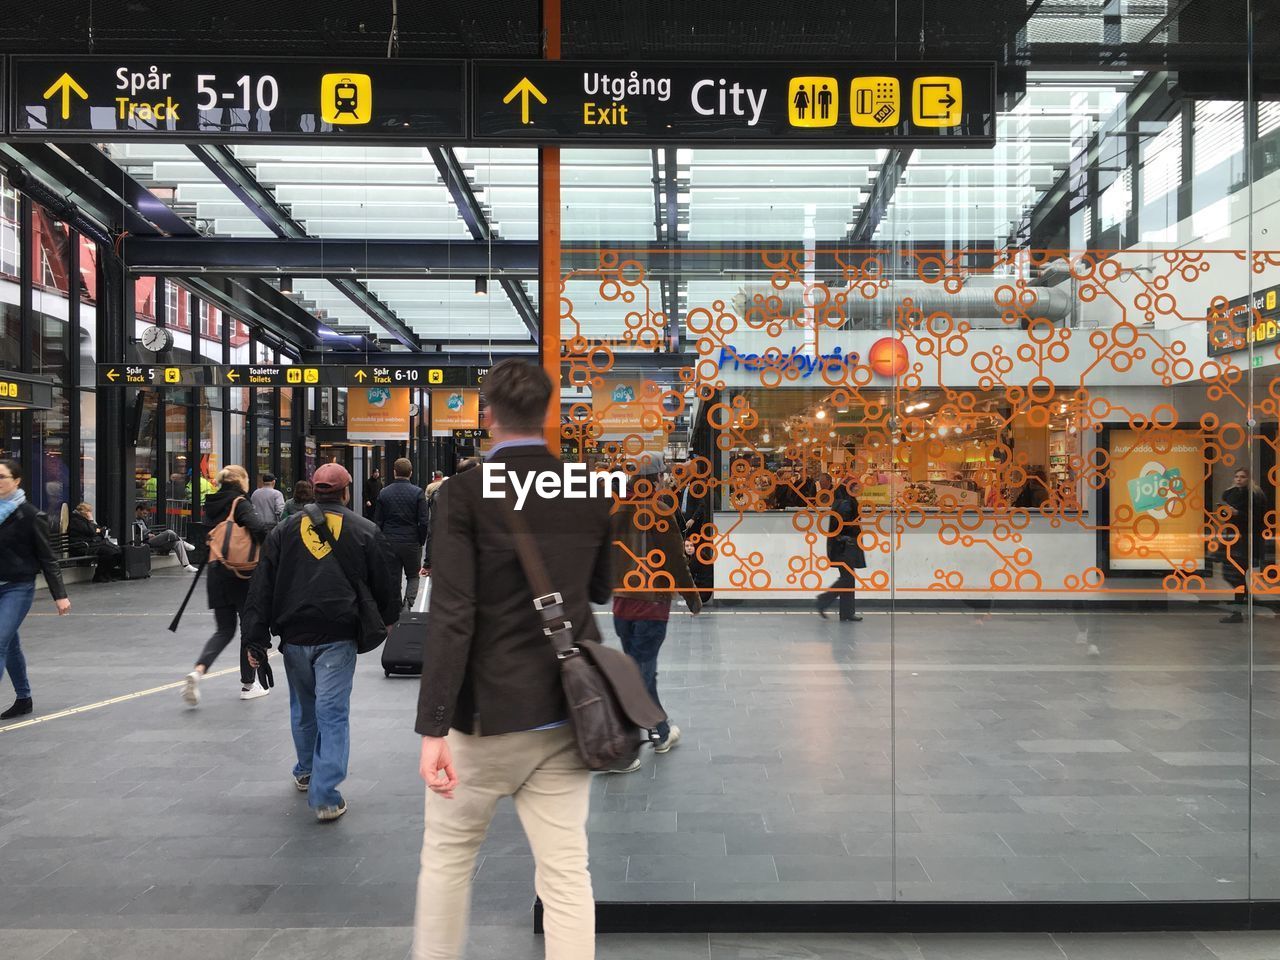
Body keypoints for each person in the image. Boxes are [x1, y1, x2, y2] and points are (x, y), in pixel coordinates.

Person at [413, 359, 614, 960]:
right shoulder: (585, 487)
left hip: (484, 718)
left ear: (488, 418)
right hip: (564, 711)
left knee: (448, 859)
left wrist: (432, 727)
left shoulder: (463, 493)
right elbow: (600, 589)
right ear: (549, 415)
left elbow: (453, 614)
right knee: (566, 873)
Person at [242, 463, 400, 821]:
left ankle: (306, 771)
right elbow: (385, 582)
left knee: (303, 707)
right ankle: (326, 796)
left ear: (314, 491)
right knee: (332, 712)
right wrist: (389, 619)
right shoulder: (364, 530)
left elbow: (261, 587)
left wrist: (255, 639)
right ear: (346, 492)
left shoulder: (284, 531)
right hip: (338, 633)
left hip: (294, 635)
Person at [610, 452, 702, 773]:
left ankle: (659, 731)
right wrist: (693, 599)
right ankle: (628, 742)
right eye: (662, 474)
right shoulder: (661, 510)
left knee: (641, 671)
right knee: (640, 674)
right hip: (651, 603)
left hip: (622, 604)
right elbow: (675, 563)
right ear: (655, 478)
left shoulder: (616, 509)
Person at [181, 465, 272, 707]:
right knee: (248, 626)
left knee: (223, 630)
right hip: (241, 573)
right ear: (241, 480)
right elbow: (260, 529)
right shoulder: (240, 503)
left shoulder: (211, 504)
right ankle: (248, 685)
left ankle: (198, 671)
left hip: (215, 570)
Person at [0, 459, 71, 719]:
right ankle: (24, 698)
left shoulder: (31, 515)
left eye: (2, 477)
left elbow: (48, 557)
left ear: (16, 481)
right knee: (10, 644)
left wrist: (60, 595)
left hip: (17, 587)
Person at [375, 458, 430, 608]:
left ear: (394, 472)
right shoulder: (418, 493)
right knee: (413, 575)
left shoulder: (384, 493)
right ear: (410, 473)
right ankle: (409, 603)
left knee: (393, 576)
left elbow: (378, 521)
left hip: (389, 541)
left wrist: (380, 541)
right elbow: (424, 521)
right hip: (411, 541)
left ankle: (396, 605)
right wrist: (420, 540)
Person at [1221, 467, 1268, 624]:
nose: (1239, 479)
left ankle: (1239, 609)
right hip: (1233, 538)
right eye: (1236, 476)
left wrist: (1238, 514)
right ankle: (1248, 602)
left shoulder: (1255, 496)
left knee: (1237, 574)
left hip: (1246, 539)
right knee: (1232, 573)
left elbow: (1258, 518)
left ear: (1249, 479)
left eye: (1242, 477)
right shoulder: (1231, 494)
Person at [816, 475, 865, 622]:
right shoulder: (845, 502)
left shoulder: (842, 500)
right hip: (845, 545)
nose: (857, 488)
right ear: (848, 487)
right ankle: (824, 600)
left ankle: (847, 612)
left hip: (843, 545)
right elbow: (845, 525)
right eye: (855, 486)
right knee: (847, 578)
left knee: (848, 579)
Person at [68, 502, 123, 583]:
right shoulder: (76, 521)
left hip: (92, 544)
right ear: (83, 512)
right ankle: (99, 574)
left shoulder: (85, 521)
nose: (90, 513)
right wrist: (91, 520)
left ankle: (106, 573)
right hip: (82, 546)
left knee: (117, 551)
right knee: (108, 552)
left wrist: (97, 530)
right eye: (89, 511)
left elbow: (99, 530)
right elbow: (92, 531)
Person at [132, 505, 197, 571]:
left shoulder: (143, 520)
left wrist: (153, 534)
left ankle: (186, 565)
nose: (145, 515)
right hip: (146, 541)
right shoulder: (132, 520)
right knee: (169, 532)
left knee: (178, 543)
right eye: (144, 513)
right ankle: (184, 542)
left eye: (146, 514)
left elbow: (148, 530)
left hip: (153, 539)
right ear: (138, 510)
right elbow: (133, 535)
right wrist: (147, 535)